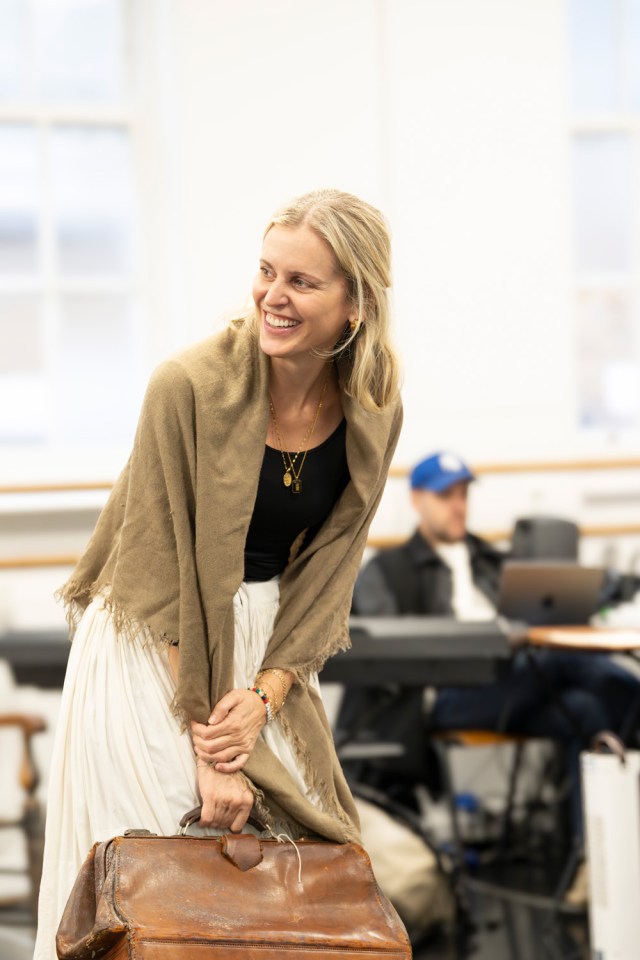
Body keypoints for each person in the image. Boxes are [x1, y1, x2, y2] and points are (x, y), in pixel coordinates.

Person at [34, 188, 403, 958]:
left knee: (280, 883)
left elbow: (331, 572)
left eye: (302, 282)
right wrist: (212, 749)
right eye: (267, 272)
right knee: (155, 887)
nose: (273, 296)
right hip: (153, 646)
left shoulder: (374, 404)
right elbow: (157, 574)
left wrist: (264, 694)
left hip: (261, 651)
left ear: (357, 304)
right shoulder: (188, 386)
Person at [340, 450, 640, 905]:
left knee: (589, 711)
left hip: (518, 683)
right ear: (418, 499)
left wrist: (607, 586)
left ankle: (591, 866)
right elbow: (387, 647)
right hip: (448, 694)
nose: (457, 505)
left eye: (462, 494)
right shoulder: (388, 570)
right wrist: (483, 639)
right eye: (445, 495)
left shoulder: (491, 561)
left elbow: (551, 599)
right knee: (564, 662)